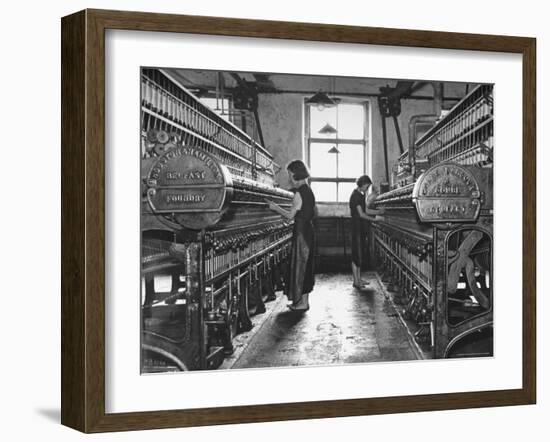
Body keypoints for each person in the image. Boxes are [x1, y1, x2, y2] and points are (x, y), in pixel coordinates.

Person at [266, 160, 316, 312]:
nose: (289, 178)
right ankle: (303, 302)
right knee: (306, 267)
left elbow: (290, 216)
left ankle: (300, 303)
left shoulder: (300, 193)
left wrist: (275, 207)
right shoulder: (309, 190)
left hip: (301, 233)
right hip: (308, 231)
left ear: (295, 174)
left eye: (289, 174)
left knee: (300, 266)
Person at [349, 175, 384, 289]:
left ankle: (359, 279)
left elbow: (366, 210)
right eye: (367, 186)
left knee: (360, 254)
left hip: (361, 228)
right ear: (363, 184)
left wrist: (379, 211)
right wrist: (375, 219)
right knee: (356, 255)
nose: (368, 188)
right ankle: (356, 281)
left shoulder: (360, 195)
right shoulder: (355, 196)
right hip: (356, 228)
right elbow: (361, 214)